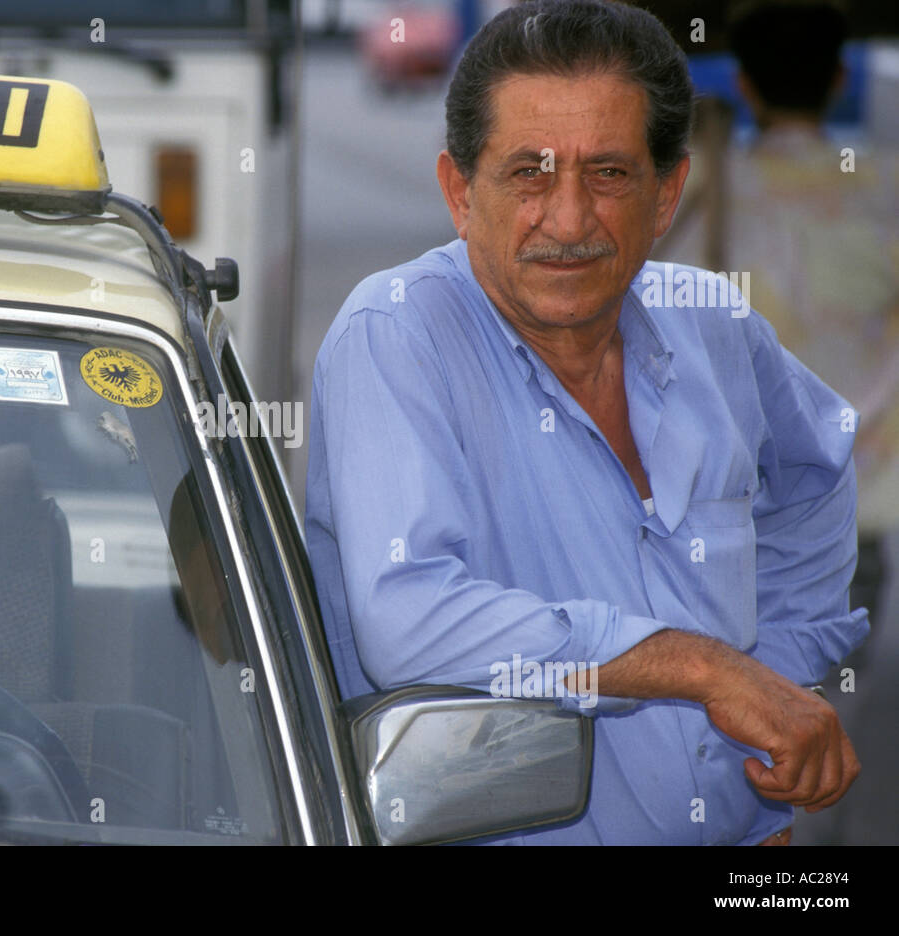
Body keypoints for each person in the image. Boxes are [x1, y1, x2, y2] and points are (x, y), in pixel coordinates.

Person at [305, 0, 866, 845]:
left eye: (608, 174)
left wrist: (768, 686)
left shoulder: (713, 325)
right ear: (459, 192)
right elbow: (409, 618)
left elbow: (817, 479)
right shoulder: (396, 332)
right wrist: (702, 670)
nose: (568, 221)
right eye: (529, 172)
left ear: (667, 193)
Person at [662, 1, 899, 649]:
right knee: (827, 671)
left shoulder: (700, 184)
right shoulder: (886, 186)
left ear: (742, 84)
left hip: (730, 483)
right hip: (857, 481)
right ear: (838, 81)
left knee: (730, 668)